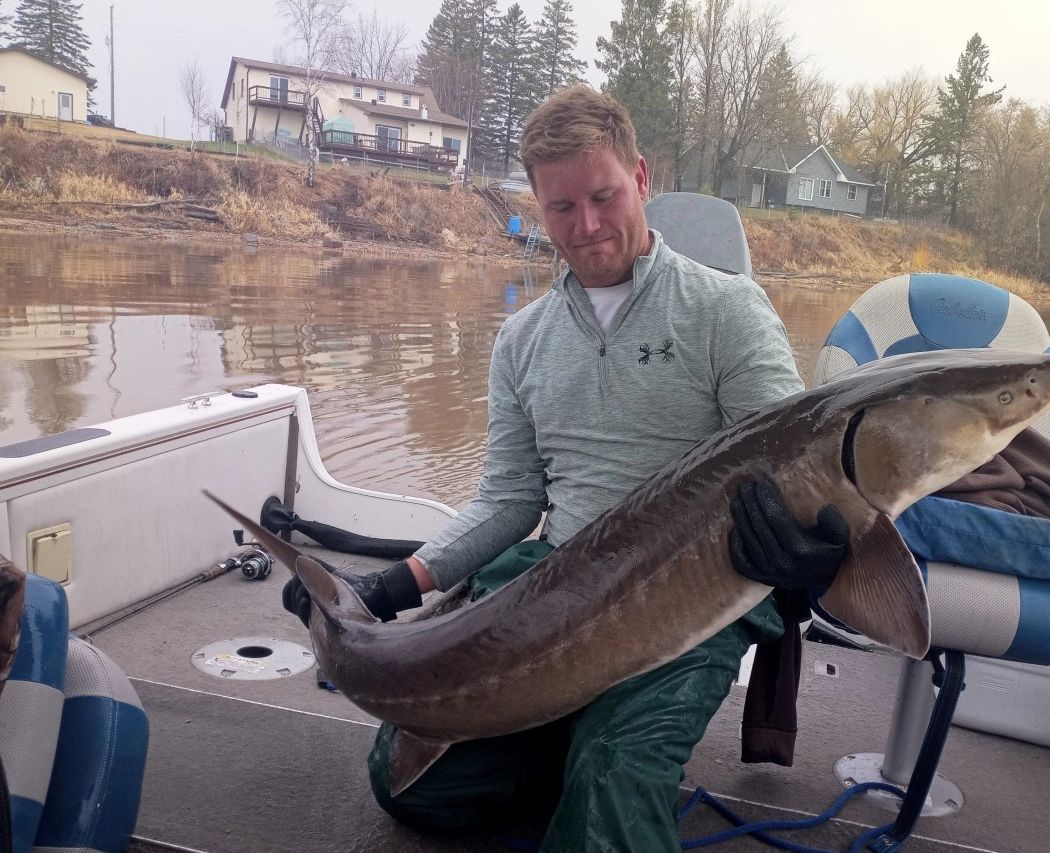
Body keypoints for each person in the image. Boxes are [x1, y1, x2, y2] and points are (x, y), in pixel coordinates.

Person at [283, 85, 849, 851]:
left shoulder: (727, 310)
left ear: (640, 178)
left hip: (686, 590)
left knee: (613, 785)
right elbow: (511, 498)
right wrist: (387, 587)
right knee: (413, 783)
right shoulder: (521, 340)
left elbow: (792, 462)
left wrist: (813, 551)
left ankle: (599, 742)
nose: (585, 227)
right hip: (554, 579)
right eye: (560, 208)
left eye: (603, 196)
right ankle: (564, 721)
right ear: (536, 207)